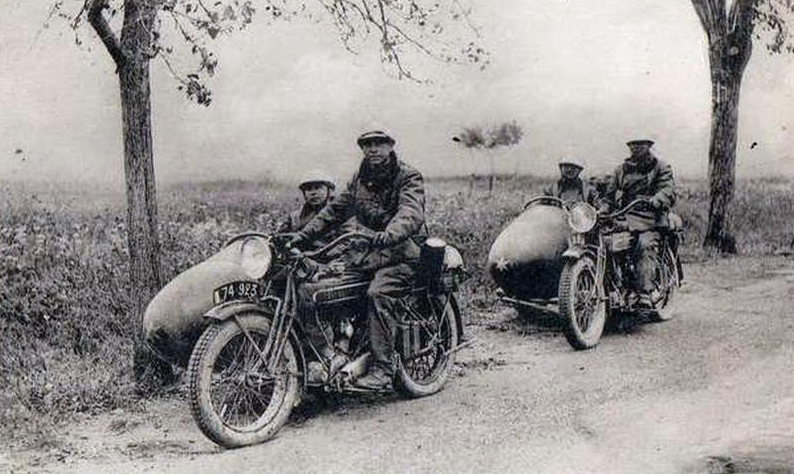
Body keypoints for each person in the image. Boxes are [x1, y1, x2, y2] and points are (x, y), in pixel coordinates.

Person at [290, 130, 426, 390]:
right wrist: (301, 236)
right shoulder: (359, 179)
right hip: (365, 256)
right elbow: (334, 211)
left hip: (400, 254)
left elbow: (410, 212)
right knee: (311, 291)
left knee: (378, 293)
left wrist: (388, 235)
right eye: (367, 145)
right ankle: (328, 358)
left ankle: (384, 369)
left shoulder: (408, 176)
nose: (373, 149)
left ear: (390, 146)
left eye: (378, 144)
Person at [601, 139, 676, 308]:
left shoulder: (661, 166)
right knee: (607, 243)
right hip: (625, 216)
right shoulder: (621, 170)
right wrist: (603, 210)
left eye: (641, 144)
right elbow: (609, 197)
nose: (636, 148)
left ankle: (645, 292)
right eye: (632, 145)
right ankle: (613, 288)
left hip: (650, 217)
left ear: (649, 146)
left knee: (644, 244)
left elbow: (668, 189)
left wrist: (657, 199)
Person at [279, 170, 337, 251]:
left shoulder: (339, 214)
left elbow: (348, 242)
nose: (313, 193)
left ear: (329, 191)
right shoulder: (295, 217)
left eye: (318, 188)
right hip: (296, 258)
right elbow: (280, 237)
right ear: (304, 193)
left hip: (329, 259)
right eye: (309, 189)